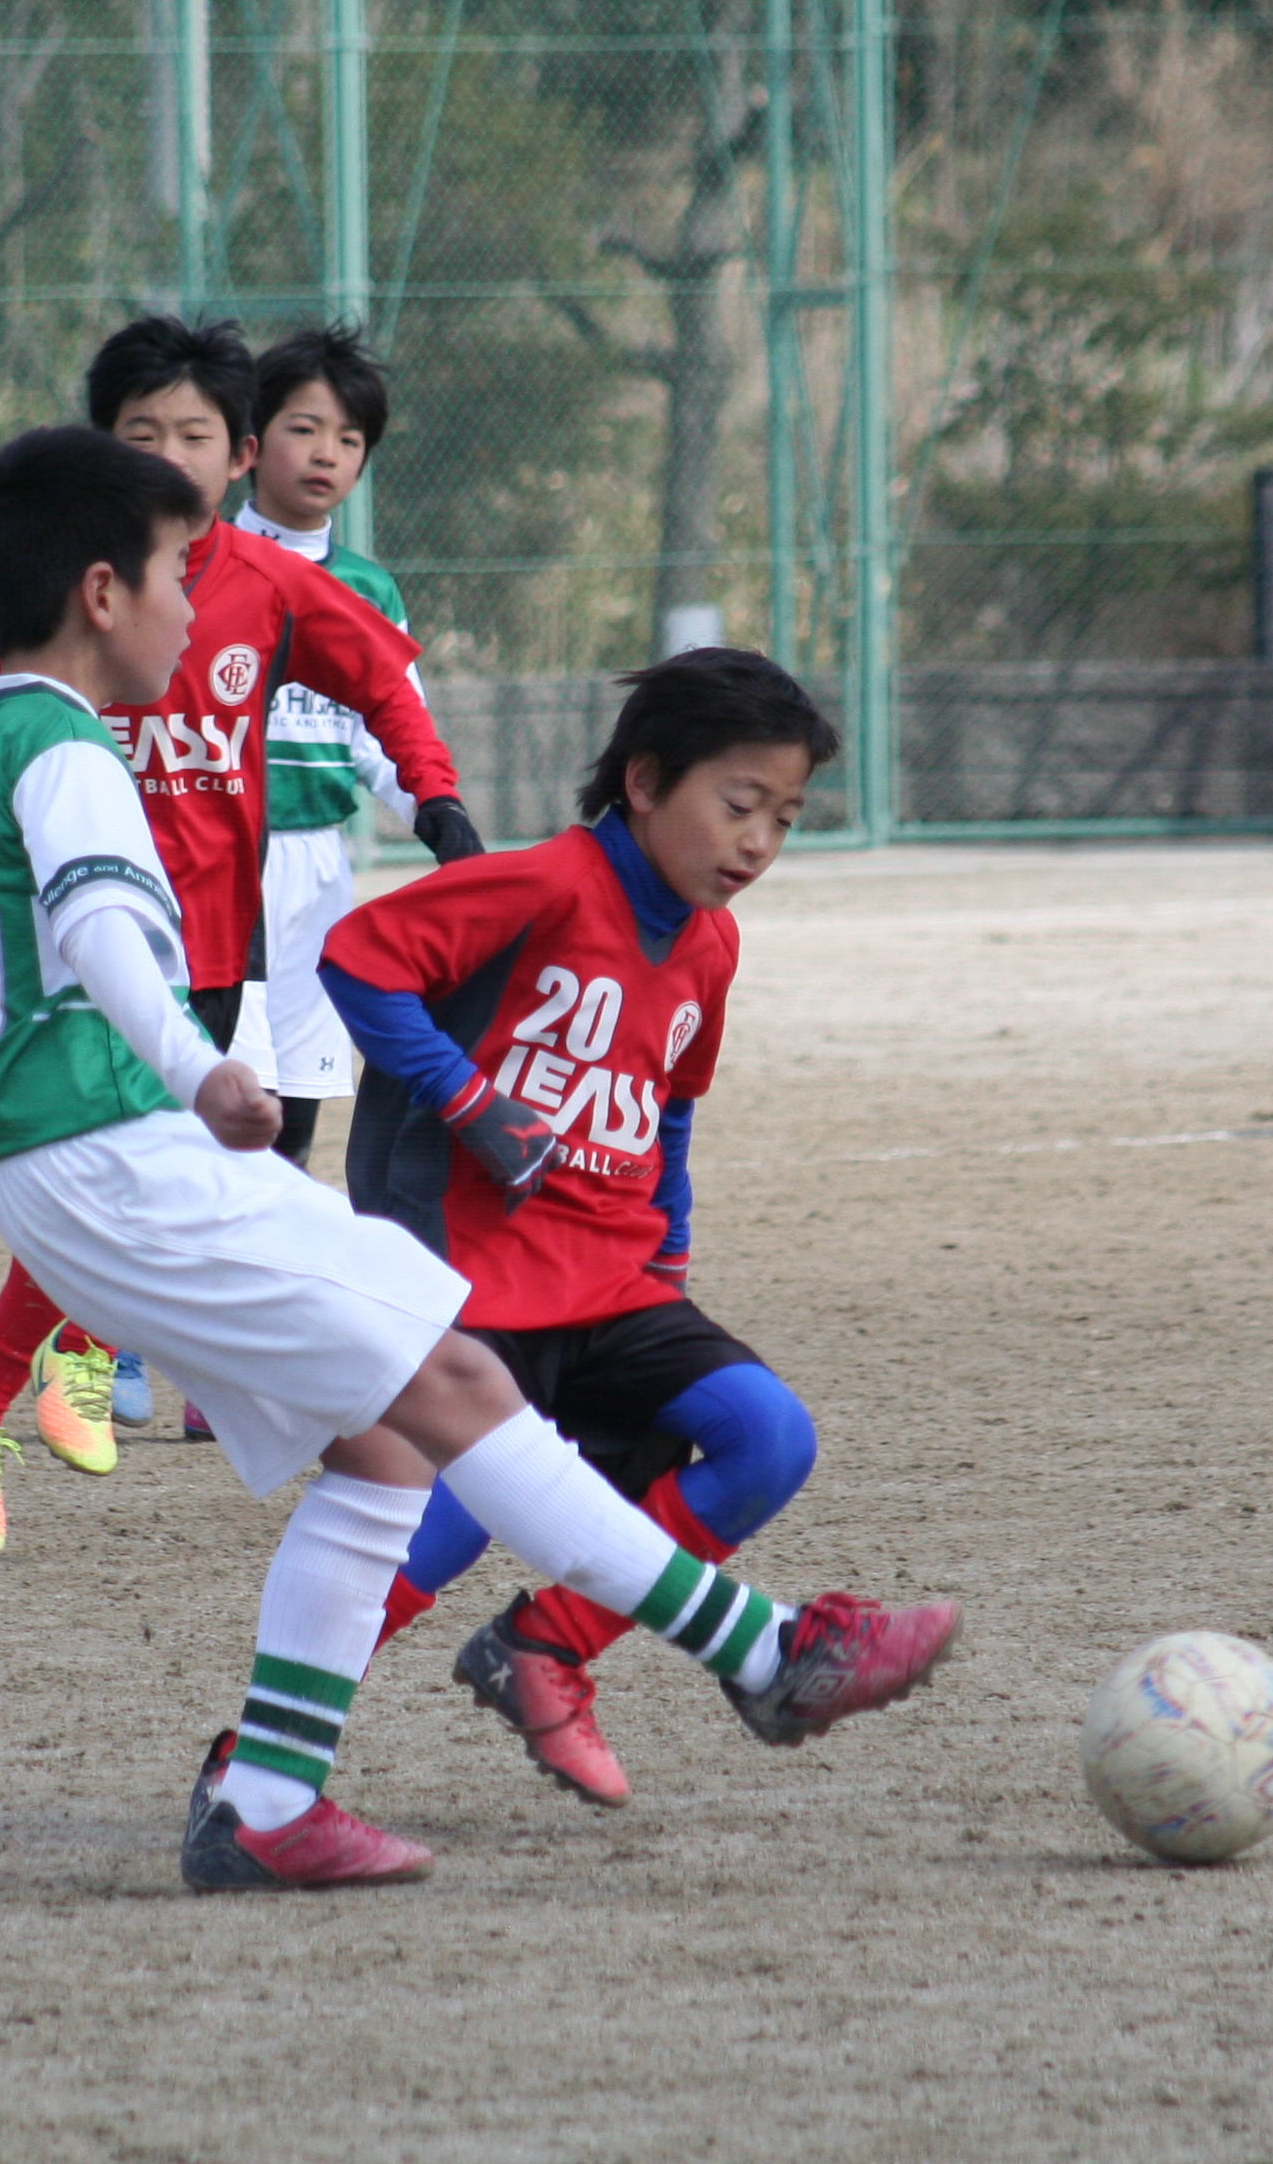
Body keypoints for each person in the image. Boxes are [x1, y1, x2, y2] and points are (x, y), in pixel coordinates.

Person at [0, 425, 959, 1890]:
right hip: (121, 1158)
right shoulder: (70, 749)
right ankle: (767, 1653)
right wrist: (197, 1068)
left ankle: (266, 1801)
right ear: (102, 594)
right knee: (458, 1384)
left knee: (386, 1447)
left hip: (55, 1179)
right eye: (184, 572)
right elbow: (99, 929)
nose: (199, 605)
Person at [0, 316, 484, 1550]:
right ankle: (82, 1372)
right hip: (73, 962)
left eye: (194, 436)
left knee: (138, 1184)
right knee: (123, 1177)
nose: (167, 458)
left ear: (240, 455)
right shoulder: (54, 597)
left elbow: (385, 684)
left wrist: (436, 803)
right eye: (139, 435)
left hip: (215, 945)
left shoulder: (273, 588)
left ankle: (6, 1392)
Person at [322, 648, 833, 1810]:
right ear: (644, 783)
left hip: (612, 1285)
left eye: (786, 817)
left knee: (768, 1438)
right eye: (740, 804)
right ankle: (268, 1760)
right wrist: (467, 1098)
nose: (759, 841)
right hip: (477, 1286)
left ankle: (547, 1646)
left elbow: (670, 1107)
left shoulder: (710, 940)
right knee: (434, 1528)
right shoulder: (543, 884)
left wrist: (670, 1248)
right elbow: (356, 962)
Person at [227, 325, 423, 1172]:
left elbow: (391, 734)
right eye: (304, 428)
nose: (326, 454)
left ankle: (275, 1239)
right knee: (228, 1090)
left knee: (299, 1088)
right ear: (249, 439)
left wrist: (441, 817)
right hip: (216, 853)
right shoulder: (201, 563)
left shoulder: (369, 590)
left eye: (350, 439)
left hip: (315, 863)